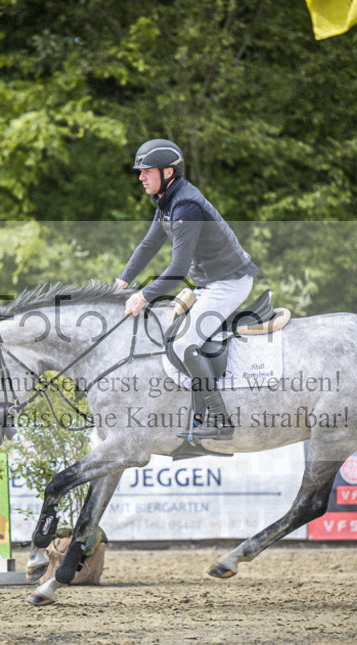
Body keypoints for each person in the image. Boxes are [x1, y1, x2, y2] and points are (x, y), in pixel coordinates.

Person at [115, 138, 259, 440]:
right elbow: (149, 244)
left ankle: (220, 420)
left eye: (147, 171)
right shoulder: (168, 201)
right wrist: (122, 281)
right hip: (211, 282)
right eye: (140, 172)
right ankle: (198, 415)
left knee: (183, 343)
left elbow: (178, 270)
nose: (141, 178)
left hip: (230, 282)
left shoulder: (186, 207)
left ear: (167, 172)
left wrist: (143, 295)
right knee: (171, 333)